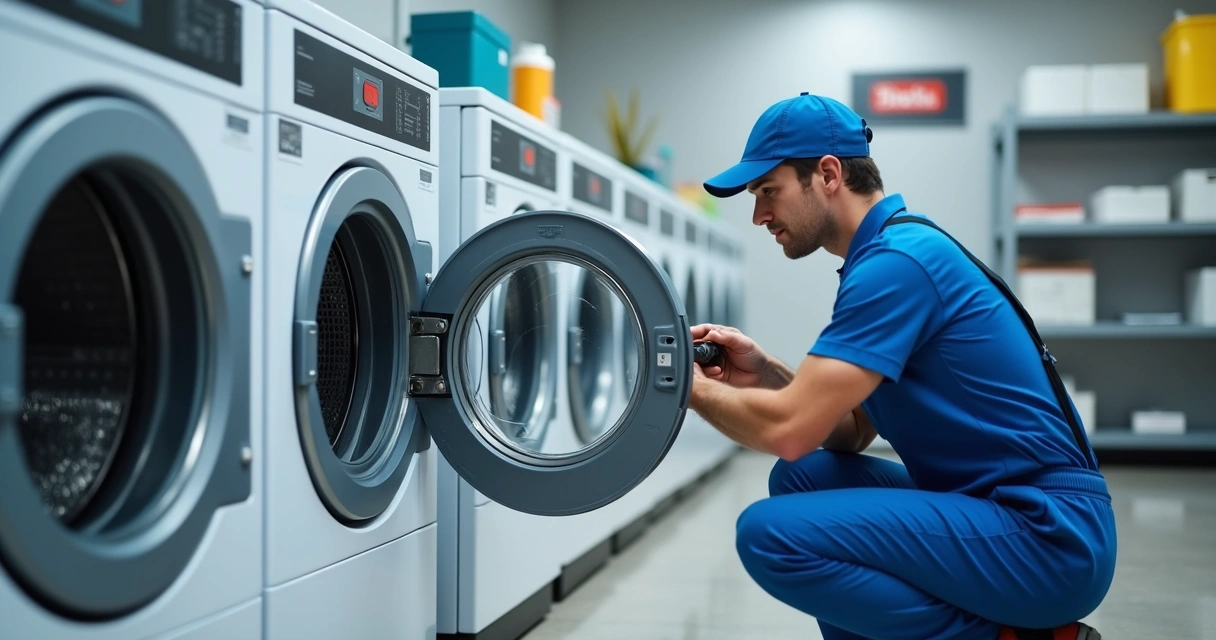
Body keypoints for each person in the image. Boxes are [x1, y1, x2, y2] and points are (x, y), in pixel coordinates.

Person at [687, 92, 1116, 640]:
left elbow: (790, 430)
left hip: (1048, 535)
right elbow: (851, 433)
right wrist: (768, 371)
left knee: (769, 535)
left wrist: (681, 386)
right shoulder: (881, 257)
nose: (758, 216)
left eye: (768, 191)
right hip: (999, 509)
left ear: (828, 173)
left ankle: (1017, 637)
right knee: (804, 479)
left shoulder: (897, 264)